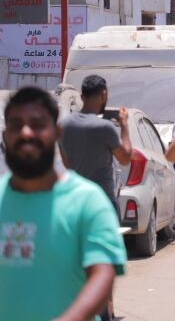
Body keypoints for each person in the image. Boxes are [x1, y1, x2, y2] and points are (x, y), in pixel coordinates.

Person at [0, 87, 126, 320]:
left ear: (57, 133)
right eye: (17, 125)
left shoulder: (87, 201)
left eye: (38, 124)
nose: (26, 132)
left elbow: (103, 273)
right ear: (6, 136)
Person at [59, 75, 132, 212]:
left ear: (82, 97)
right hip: (102, 203)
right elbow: (125, 158)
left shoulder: (62, 126)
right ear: (103, 95)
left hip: (76, 203)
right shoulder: (104, 128)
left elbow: (67, 164)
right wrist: (124, 126)